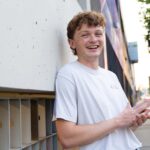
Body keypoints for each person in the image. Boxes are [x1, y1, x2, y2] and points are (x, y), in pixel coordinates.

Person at [53, 11, 150, 150]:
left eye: (98, 34)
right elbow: (67, 138)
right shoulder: (68, 75)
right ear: (72, 43)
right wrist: (118, 121)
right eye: (85, 35)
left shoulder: (111, 76)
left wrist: (135, 121)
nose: (93, 39)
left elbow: (121, 128)